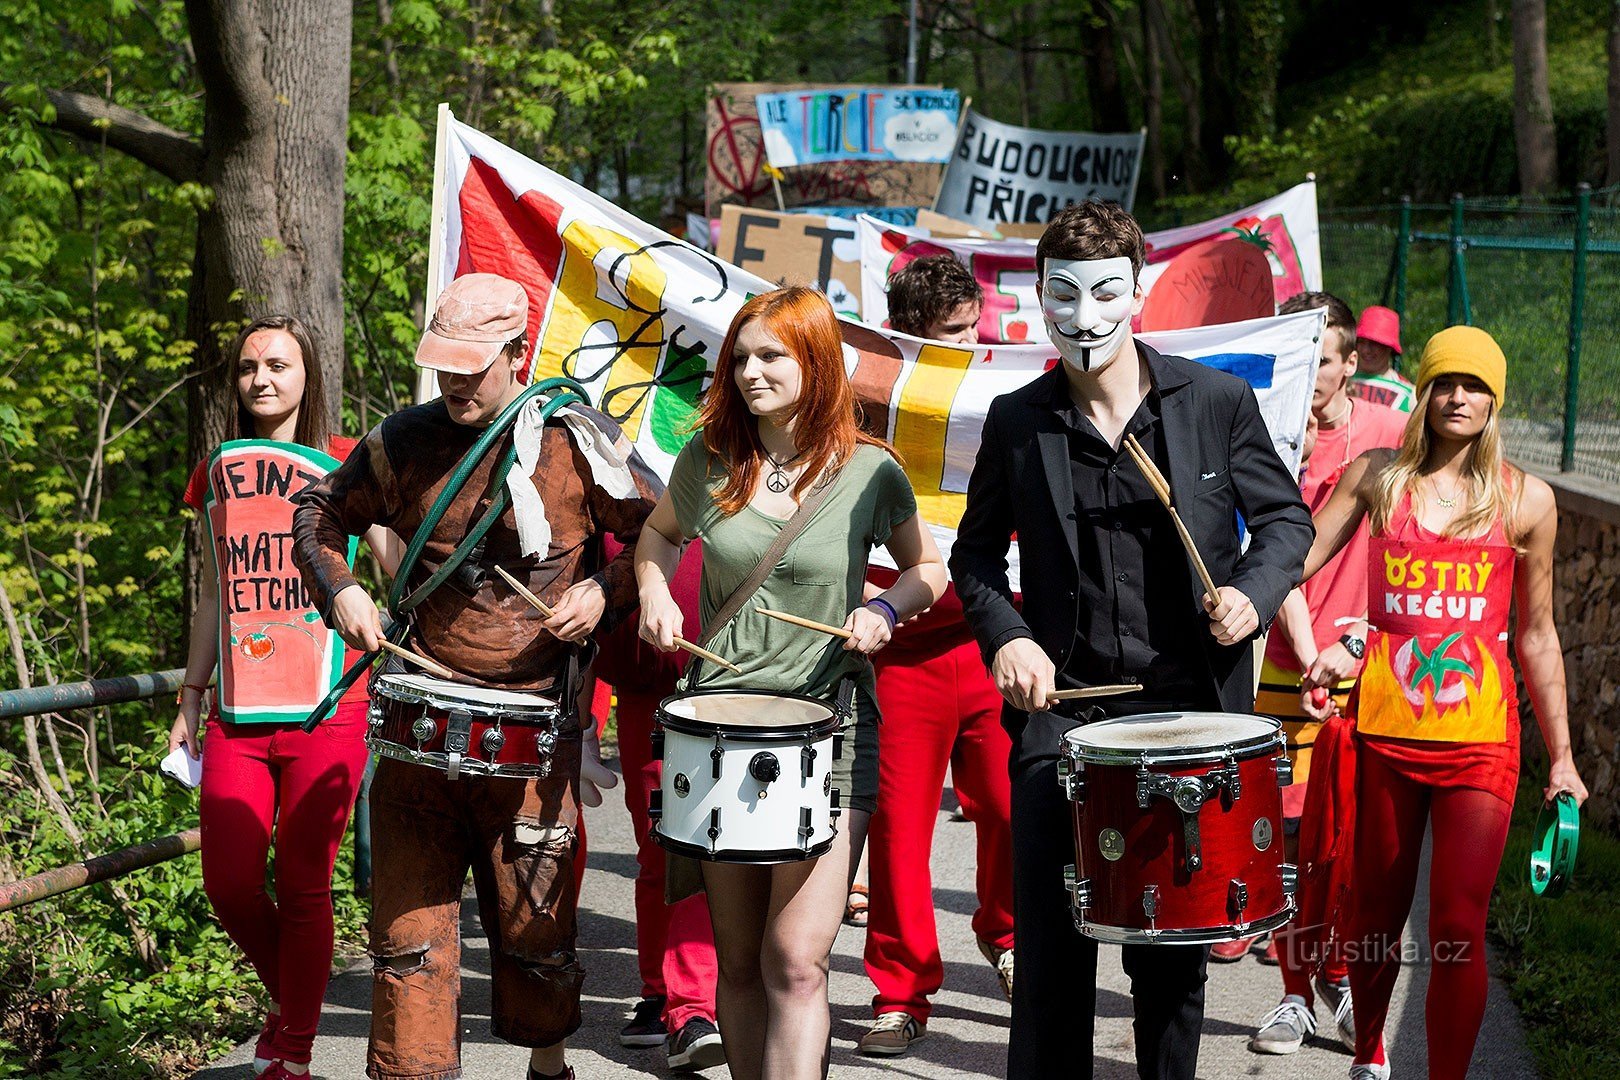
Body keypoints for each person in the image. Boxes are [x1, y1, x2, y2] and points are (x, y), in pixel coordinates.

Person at [950, 199, 1314, 1080]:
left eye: (1104, 292)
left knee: (1169, 961)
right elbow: (973, 558)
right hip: (1060, 718)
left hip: (1189, 717)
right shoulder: (1017, 419)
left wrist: (1251, 596)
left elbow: (1285, 523)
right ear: (1039, 298)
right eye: (1062, 297)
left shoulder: (1216, 402)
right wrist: (1006, 637)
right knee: (1050, 958)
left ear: (1139, 290)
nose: (1084, 318)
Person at [292, 273, 660, 1080]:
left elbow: (660, 536)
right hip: (418, 732)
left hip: (536, 731)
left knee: (538, 941)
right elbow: (317, 516)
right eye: (443, 363)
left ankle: (547, 1069)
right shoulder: (400, 441)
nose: (455, 380)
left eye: (473, 363)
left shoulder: (577, 441)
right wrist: (345, 590)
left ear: (519, 353)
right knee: (407, 943)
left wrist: (604, 589)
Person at [635, 286, 947, 1079]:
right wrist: (651, 592)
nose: (749, 371)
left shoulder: (870, 470)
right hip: (719, 727)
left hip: (829, 723)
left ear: (815, 360)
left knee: (796, 959)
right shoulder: (708, 458)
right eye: (740, 356)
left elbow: (927, 571)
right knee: (738, 963)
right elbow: (658, 536)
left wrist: (885, 609)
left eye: (770, 354)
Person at [1301, 325, 1587, 1080]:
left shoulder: (1529, 500)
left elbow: (1537, 637)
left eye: (1476, 385)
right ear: (1424, 391)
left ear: (1496, 399)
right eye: (1446, 383)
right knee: (1374, 921)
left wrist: (1562, 759)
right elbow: (1292, 558)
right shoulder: (1376, 478)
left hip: (1480, 747)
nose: (1459, 397)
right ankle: (1368, 1051)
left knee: (1458, 924)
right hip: (1382, 737)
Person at [169, 315, 397, 1080]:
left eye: (279, 364)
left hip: (330, 707)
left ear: (309, 375)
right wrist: (190, 696)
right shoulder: (215, 470)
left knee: (304, 885)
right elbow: (214, 595)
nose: (262, 379)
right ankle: (295, 1003)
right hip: (238, 712)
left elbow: (394, 564)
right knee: (229, 883)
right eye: (248, 367)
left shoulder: (351, 461)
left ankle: (293, 1053)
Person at [858, 254, 1017, 1057]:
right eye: (955, 333)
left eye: (975, 326)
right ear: (909, 335)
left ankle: (1009, 935)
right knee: (897, 832)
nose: (973, 343)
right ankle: (900, 991)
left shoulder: (1003, 398)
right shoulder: (863, 408)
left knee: (1015, 805)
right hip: (900, 656)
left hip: (991, 641)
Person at [1244, 292, 1406, 1052]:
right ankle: (1293, 993)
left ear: (1349, 365)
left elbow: (1416, 551)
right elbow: (1276, 563)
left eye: (1325, 358)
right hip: (1291, 663)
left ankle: (1337, 973)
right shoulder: (1265, 436)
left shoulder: (1389, 439)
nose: (1311, 372)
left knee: (1352, 842)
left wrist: (1364, 640)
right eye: (1298, 357)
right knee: (1295, 839)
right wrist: (1310, 654)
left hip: (1370, 666)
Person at [593, 536, 726, 1072]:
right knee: (658, 851)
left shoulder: (743, 459)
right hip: (649, 686)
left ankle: (695, 1005)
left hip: (730, 684)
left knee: (713, 851)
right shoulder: (620, 462)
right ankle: (661, 994)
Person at [1348, 305, 1414, 413]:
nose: (1366, 350)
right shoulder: (1339, 380)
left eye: (1374, 344)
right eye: (1361, 342)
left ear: (1389, 348)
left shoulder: (1409, 394)